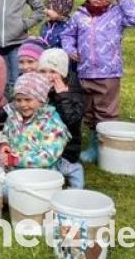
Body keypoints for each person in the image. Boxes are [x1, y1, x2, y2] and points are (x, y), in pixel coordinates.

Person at [61, 0, 135, 163]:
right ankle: (93, 146)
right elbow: (67, 35)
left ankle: (106, 147)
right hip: (85, 71)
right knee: (89, 111)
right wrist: (69, 49)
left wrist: (123, 0)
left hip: (109, 73)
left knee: (105, 112)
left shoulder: (117, 14)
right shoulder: (78, 16)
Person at [0, 73, 70, 170]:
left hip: (40, 177)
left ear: (41, 99)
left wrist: (15, 160)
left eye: (28, 100)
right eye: (18, 100)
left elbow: (49, 156)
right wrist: (4, 145)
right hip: (13, 174)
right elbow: (5, 133)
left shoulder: (52, 124)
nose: (23, 104)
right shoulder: (13, 115)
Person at [39, 48, 84, 188]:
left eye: (53, 71)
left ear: (63, 73)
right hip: (43, 142)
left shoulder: (73, 91)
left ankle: (73, 169)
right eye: (43, 71)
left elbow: (72, 122)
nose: (47, 76)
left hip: (66, 148)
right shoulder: (40, 86)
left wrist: (62, 97)